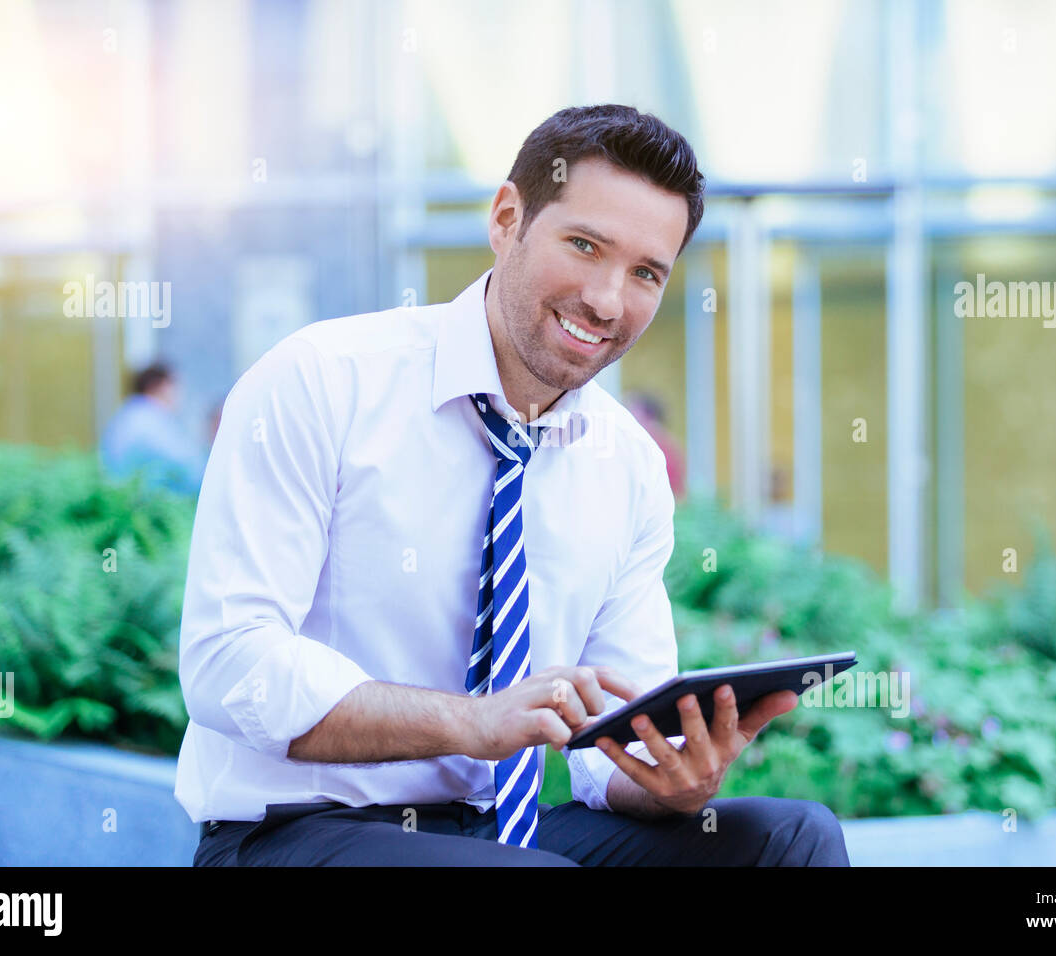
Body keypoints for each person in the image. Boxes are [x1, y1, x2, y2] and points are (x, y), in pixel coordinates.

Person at [177, 104, 850, 866]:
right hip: (295, 830)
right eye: (585, 245)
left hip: (503, 833)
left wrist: (674, 782)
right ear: (507, 218)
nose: (606, 299)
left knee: (792, 841)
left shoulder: (626, 462)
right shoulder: (322, 383)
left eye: (645, 273)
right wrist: (472, 723)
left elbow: (611, 741)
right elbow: (228, 662)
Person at [99, 361, 204, 496]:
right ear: (159, 386)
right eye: (175, 386)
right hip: (152, 508)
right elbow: (190, 470)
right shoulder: (151, 421)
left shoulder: (125, 416)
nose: (180, 395)